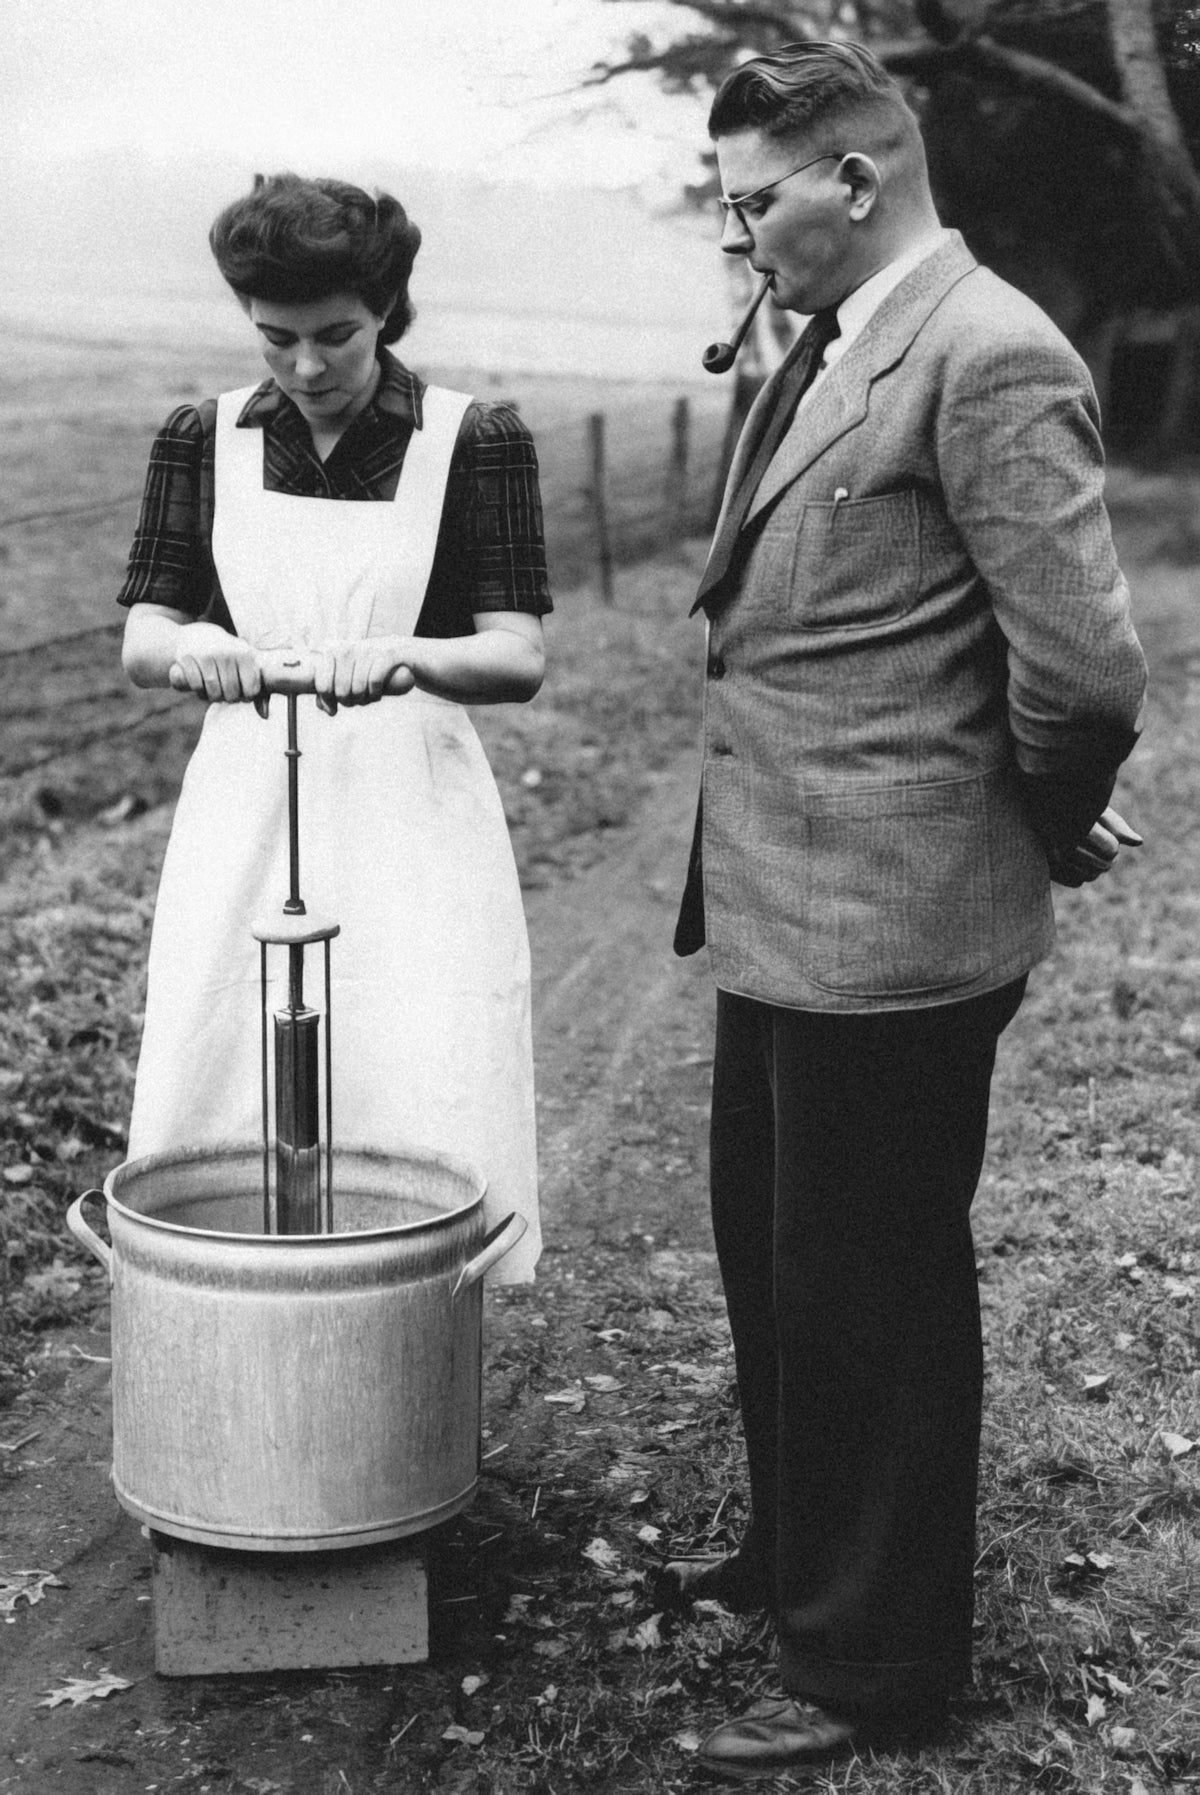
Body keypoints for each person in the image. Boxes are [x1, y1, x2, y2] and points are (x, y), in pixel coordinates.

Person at [666, 42, 1147, 1776]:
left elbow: (1083, 674)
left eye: (754, 198)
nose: (741, 232)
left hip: (894, 922)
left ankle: (876, 1663)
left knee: (868, 1279)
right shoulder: (828, 334)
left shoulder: (992, 351)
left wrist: (1042, 815)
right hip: (785, 900)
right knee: (777, 1253)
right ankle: (800, 1560)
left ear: (854, 179)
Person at [118, 173, 548, 1282]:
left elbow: (516, 654)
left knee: (418, 1056)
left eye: (336, 338)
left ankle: (407, 1332)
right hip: (248, 794)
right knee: (227, 1047)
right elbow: (145, 638)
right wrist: (198, 649)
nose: (306, 368)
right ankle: (232, 1307)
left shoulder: (472, 438)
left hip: (411, 796)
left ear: (387, 311)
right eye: (276, 341)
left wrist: (405, 655)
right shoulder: (203, 437)